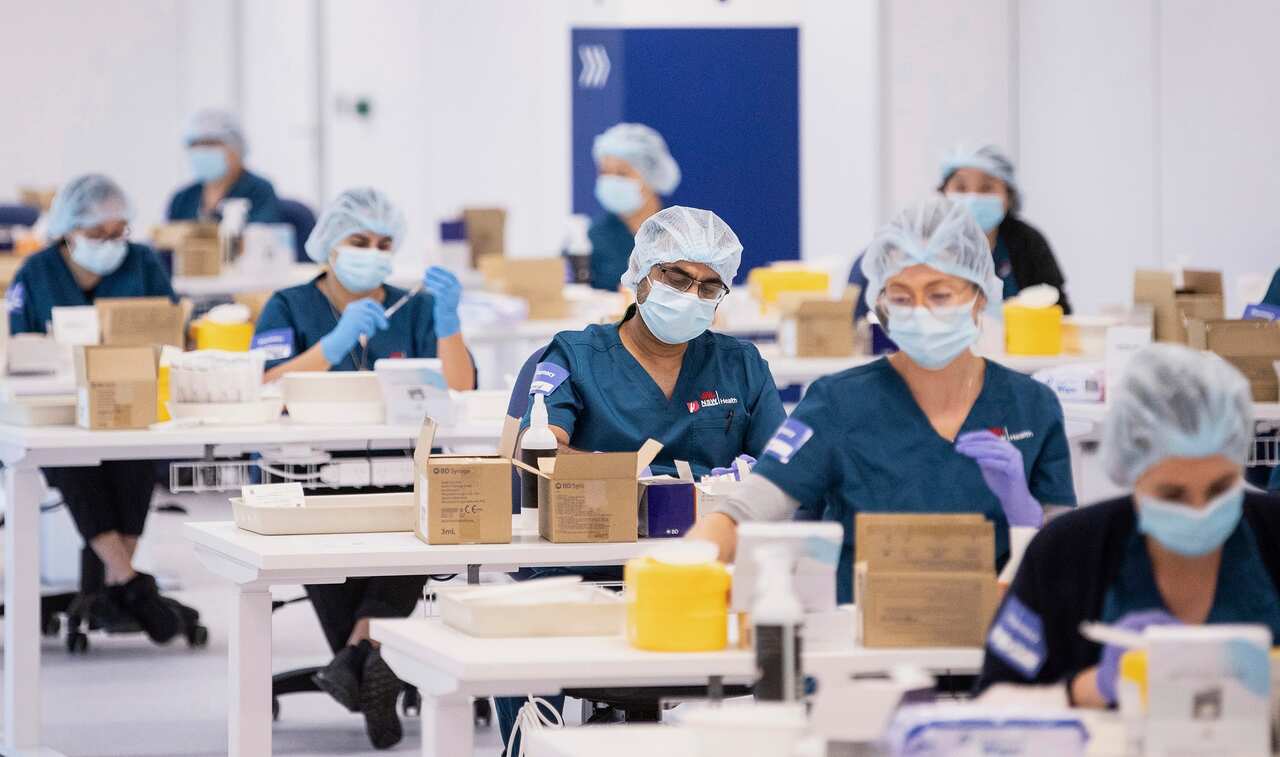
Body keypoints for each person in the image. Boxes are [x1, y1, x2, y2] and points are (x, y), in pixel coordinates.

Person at [496, 206, 787, 755]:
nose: (690, 294)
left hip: (701, 570)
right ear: (640, 275)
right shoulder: (573, 356)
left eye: (708, 286)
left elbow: (782, 470)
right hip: (585, 569)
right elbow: (540, 456)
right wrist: (658, 486)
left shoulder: (741, 364)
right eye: (677, 277)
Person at [688, 197, 1078, 604]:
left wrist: (1026, 513)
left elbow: (1066, 554)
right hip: (862, 645)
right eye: (902, 297)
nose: (920, 311)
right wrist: (684, 563)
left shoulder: (1031, 405)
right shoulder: (838, 402)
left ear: (980, 296)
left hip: (988, 640)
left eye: (940, 295)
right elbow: (746, 512)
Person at [252, 188, 475, 749]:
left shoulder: (416, 307)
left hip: (404, 472)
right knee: (334, 546)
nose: (372, 253)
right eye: (358, 241)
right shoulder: (287, 305)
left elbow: (462, 384)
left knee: (417, 522)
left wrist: (448, 321)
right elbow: (264, 385)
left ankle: (355, 661)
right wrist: (334, 343)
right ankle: (371, 659)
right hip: (313, 479)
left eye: (383, 244)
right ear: (329, 246)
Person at [977, 344, 1280, 707]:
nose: (1200, 510)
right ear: (1130, 472)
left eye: (1220, 488)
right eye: (1172, 495)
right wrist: (1092, 688)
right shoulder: (1066, 553)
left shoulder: (1274, 531)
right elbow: (992, 702)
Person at [7, 175, 188, 643]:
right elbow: (17, 346)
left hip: (130, 402)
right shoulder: (36, 272)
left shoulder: (143, 262)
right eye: (97, 235)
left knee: (135, 461)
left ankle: (119, 579)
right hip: (59, 406)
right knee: (73, 462)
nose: (110, 245)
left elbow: (171, 332)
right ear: (68, 230)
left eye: (118, 232)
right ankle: (127, 581)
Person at [849, 144, 1072, 320]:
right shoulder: (921, 236)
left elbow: (1059, 312)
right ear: (944, 193)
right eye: (961, 188)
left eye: (987, 188)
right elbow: (868, 274)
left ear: (1009, 196)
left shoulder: (1027, 243)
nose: (973, 197)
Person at [587, 123, 681, 291]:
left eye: (622, 173)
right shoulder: (593, 234)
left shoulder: (680, 233)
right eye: (604, 172)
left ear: (652, 176)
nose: (611, 180)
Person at [166, 109, 280, 224]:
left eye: (211, 143)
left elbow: (260, 236)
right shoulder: (184, 197)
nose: (202, 150)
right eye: (195, 144)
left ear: (236, 148)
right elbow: (166, 238)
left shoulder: (259, 191)